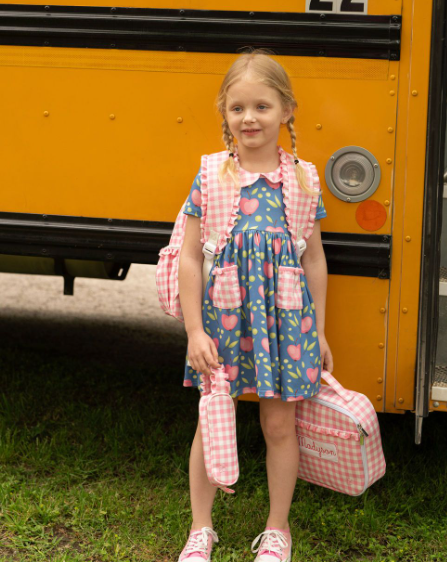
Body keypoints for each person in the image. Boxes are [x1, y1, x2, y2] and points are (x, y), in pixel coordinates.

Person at [177, 49, 333, 562]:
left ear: (287, 110)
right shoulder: (212, 175)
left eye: (263, 107)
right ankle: (201, 528)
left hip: (287, 325)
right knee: (212, 419)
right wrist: (195, 331)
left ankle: (277, 529)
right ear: (223, 110)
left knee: (279, 426)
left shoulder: (305, 179)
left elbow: (313, 261)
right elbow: (192, 259)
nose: (250, 118)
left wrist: (320, 333)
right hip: (222, 325)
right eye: (238, 107)